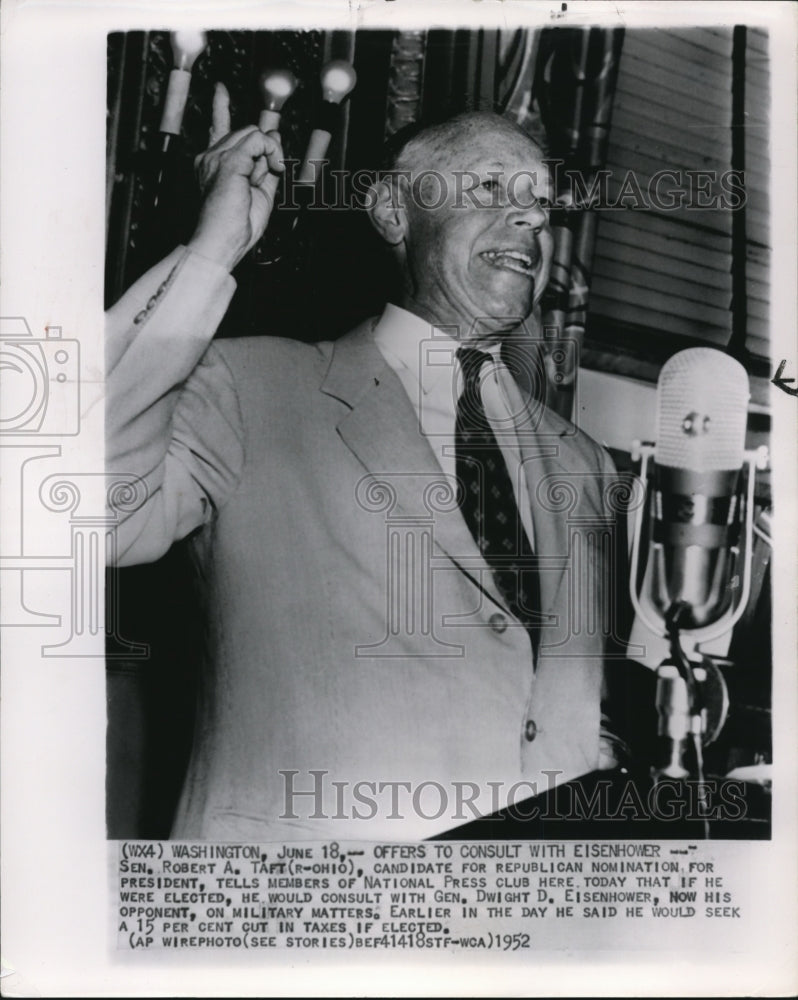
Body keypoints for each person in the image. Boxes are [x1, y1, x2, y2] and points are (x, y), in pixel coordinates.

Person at [107, 93, 626, 841]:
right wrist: (211, 251)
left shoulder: (585, 466)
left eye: (543, 203)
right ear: (391, 210)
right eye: (488, 187)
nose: (533, 219)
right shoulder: (247, 389)